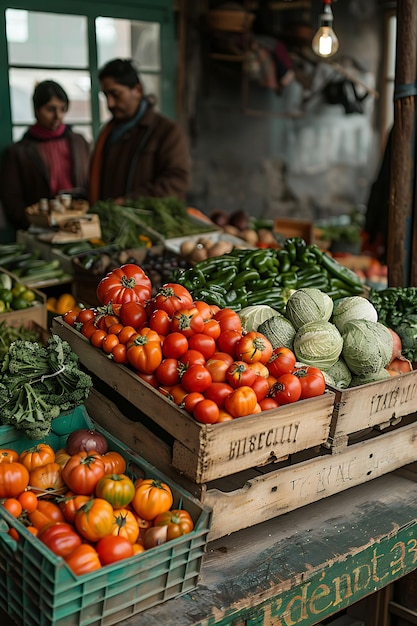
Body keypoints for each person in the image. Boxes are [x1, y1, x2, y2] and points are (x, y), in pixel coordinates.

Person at [89, 58, 190, 205]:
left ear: (137, 90)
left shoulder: (166, 131)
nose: (110, 104)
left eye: (115, 94)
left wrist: (130, 201)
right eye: (106, 96)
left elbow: (177, 182)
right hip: (110, 221)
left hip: (147, 223)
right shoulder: (108, 133)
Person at [0, 80, 90, 232]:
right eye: (50, 109)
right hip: (42, 227)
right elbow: (12, 197)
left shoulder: (79, 142)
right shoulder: (20, 151)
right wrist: (33, 223)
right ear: (36, 110)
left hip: (80, 221)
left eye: (63, 109)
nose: (58, 116)